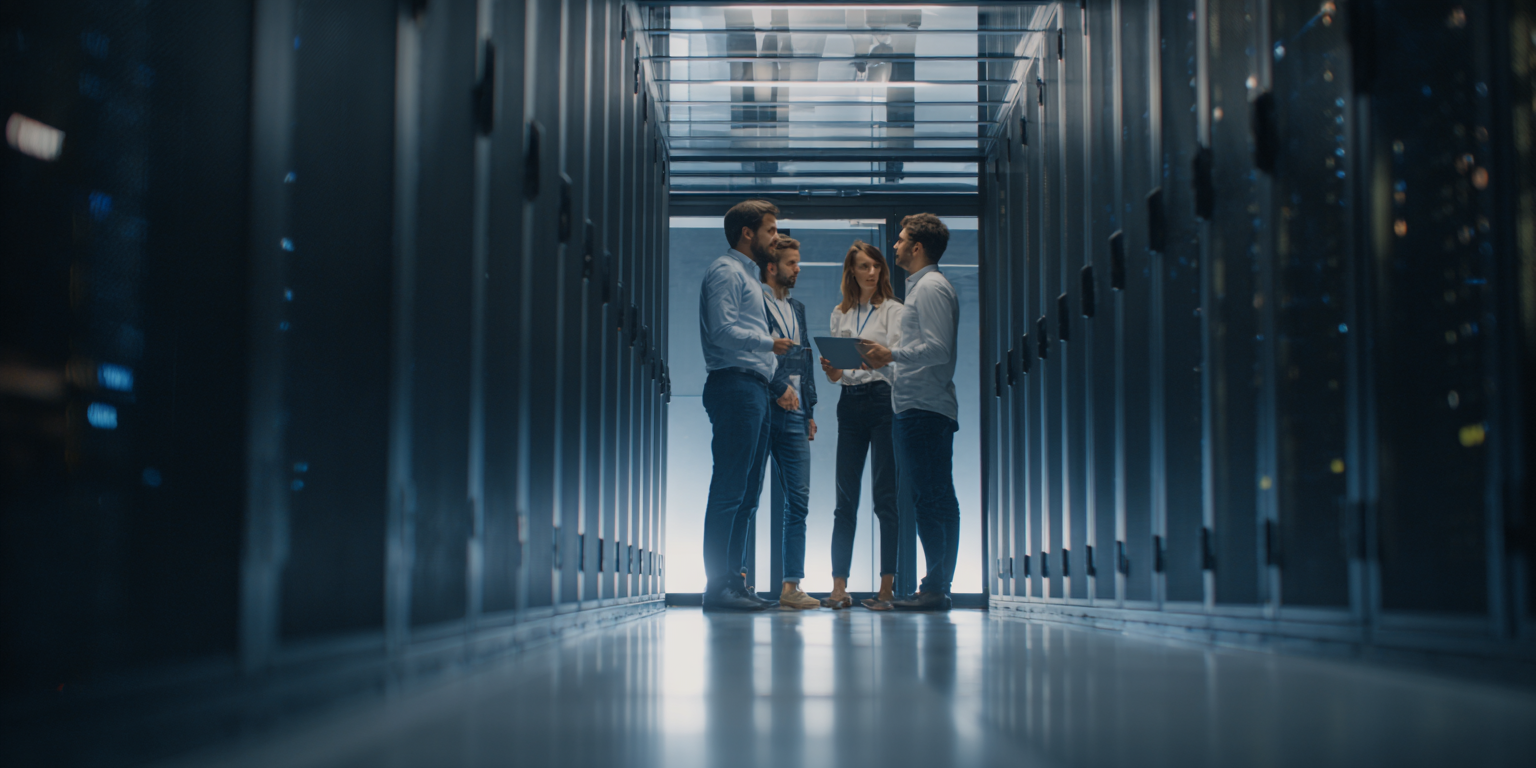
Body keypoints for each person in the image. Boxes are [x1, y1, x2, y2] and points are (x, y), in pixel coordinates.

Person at [857, 214, 959, 611]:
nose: (894, 247)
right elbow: (925, 354)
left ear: (917, 247)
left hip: (923, 410)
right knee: (937, 498)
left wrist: (892, 353)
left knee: (931, 499)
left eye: (900, 241)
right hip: (920, 405)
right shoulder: (924, 287)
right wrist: (883, 363)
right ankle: (936, 585)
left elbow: (939, 350)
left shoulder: (930, 288)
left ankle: (934, 588)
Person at [698, 200, 795, 612]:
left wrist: (777, 380)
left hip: (754, 389)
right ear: (747, 233)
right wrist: (767, 344)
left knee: (748, 494)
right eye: (771, 230)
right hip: (734, 386)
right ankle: (717, 587)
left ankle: (733, 583)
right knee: (729, 489)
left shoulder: (748, 278)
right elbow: (722, 331)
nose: (776, 238)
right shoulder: (725, 270)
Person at [818, 241, 904, 610]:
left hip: (884, 403)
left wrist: (878, 362)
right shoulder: (840, 314)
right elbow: (837, 377)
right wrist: (833, 370)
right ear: (851, 272)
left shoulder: (895, 312)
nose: (871, 272)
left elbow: (901, 365)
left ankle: (886, 588)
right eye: (863, 266)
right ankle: (839, 587)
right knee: (844, 502)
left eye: (876, 265)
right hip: (850, 405)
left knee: (885, 498)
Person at [740, 237, 821, 610]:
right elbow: (751, 351)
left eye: (798, 262)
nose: (797, 269)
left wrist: (811, 409)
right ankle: (738, 578)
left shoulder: (798, 307)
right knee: (748, 495)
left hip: (795, 413)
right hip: (762, 406)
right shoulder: (754, 300)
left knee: (798, 502)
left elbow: (805, 362)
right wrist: (775, 390)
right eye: (791, 263)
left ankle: (791, 587)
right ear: (772, 267)